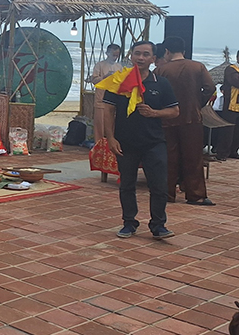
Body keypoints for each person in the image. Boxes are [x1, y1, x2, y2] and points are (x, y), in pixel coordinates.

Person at [102, 41, 179, 240]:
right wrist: (110, 137)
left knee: (159, 185)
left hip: (154, 142)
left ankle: (158, 225)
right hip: (125, 142)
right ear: (131, 55)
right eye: (137, 53)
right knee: (127, 184)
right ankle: (129, 223)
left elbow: (174, 111)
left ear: (154, 59)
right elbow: (109, 110)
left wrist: (154, 113)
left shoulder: (161, 83)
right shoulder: (119, 80)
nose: (141, 58)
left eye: (146, 54)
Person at [155, 36, 216, 205]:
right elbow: (210, 88)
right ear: (184, 50)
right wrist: (197, 103)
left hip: (167, 118)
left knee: (168, 157)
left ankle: (166, 194)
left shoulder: (161, 70)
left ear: (166, 51)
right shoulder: (198, 67)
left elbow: (154, 93)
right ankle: (196, 195)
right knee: (194, 157)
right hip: (192, 118)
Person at [88, 44, 122, 143]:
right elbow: (94, 80)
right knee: (100, 123)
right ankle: (99, 144)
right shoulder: (100, 65)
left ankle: (111, 143)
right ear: (107, 53)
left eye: (117, 55)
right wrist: (105, 77)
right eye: (113, 55)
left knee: (112, 123)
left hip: (115, 97)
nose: (115, 58)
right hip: (101, 97)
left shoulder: (118, 66)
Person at [215, 50, 239, 160]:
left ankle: (233, 151)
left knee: (237, 130)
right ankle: (222, 152)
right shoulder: (231, 69)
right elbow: (236, 81)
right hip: (231, 104)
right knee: (228, 130)